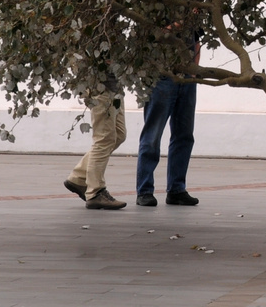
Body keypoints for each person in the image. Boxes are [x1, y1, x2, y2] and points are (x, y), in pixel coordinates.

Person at [136, 31, 200, 207]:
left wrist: (194, 72)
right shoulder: (157, 7)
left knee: (184, 135)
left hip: (187, 77)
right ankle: (144, 191)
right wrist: (181, 23)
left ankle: (177, 189)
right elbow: (153, 36)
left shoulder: (192, 10)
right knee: (152, 135)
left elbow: (196, 39)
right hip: (161, 76)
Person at [63, 81, 128, 210]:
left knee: (119, 135)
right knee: (104, 139)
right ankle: (95, 192)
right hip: (102, 87)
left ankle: (78, 177)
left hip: (116, 89)